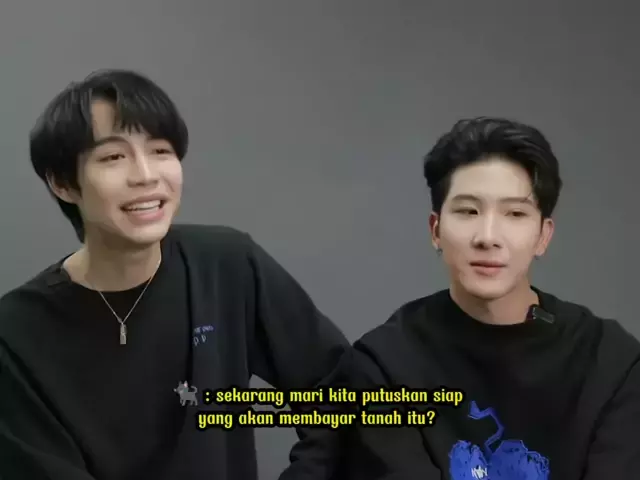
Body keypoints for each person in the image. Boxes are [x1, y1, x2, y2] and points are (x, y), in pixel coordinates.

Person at [0, 69, 349, 479]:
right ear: (63, 184)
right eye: (113, 157)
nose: (146, 175)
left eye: (160, 151)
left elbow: (345, 391)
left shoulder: (227, 265)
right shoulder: (16, 333)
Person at [295, 117, 640, 479]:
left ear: (543, 236)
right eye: (468, 211)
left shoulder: (610, 362)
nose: (487, 237)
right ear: (436, 230)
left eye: (515, 213)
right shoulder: (386, 363)